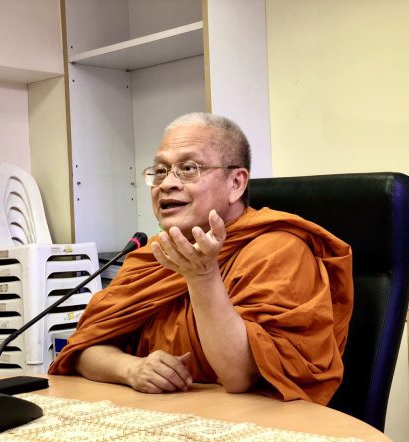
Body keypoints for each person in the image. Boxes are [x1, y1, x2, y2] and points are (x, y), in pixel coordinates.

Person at [49, 112, 353, 405]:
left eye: (188, 168)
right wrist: (132, 369)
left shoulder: (277, 251)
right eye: (160, 171)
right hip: (159, 417)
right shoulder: (152, 256)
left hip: (251, 423)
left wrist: (202, 276)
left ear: (236, 183)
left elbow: (239, 375)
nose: (166, 184)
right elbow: (83, 350)